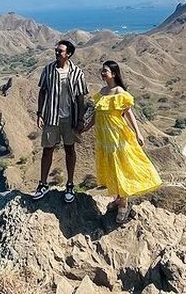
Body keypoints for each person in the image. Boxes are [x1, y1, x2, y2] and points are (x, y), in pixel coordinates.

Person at [86, 59, 162, 223]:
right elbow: (97, 114)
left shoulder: (120, 92)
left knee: (120, 165)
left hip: (117, 135)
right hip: (104, 137)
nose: (102, 73)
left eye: (105, 71)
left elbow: (129, 114)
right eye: (102, 70)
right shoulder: (102, 91)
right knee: (112, 167)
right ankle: (119, 198)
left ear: (113, 74)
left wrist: (138, 133)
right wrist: (86, 127)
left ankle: (123, 204)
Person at [32, 39, 88, 203]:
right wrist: (40, 113)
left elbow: (80, 98)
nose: (57, 53)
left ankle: (70, 185)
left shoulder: (77, 73)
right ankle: (42, 184)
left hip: (69, 119)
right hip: (51, 116)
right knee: (47, 150)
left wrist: (80, 119)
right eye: (56, 50)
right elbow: (42, 91)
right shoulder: (48, 69)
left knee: (70, 150)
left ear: (68, 54)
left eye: (60, 51)